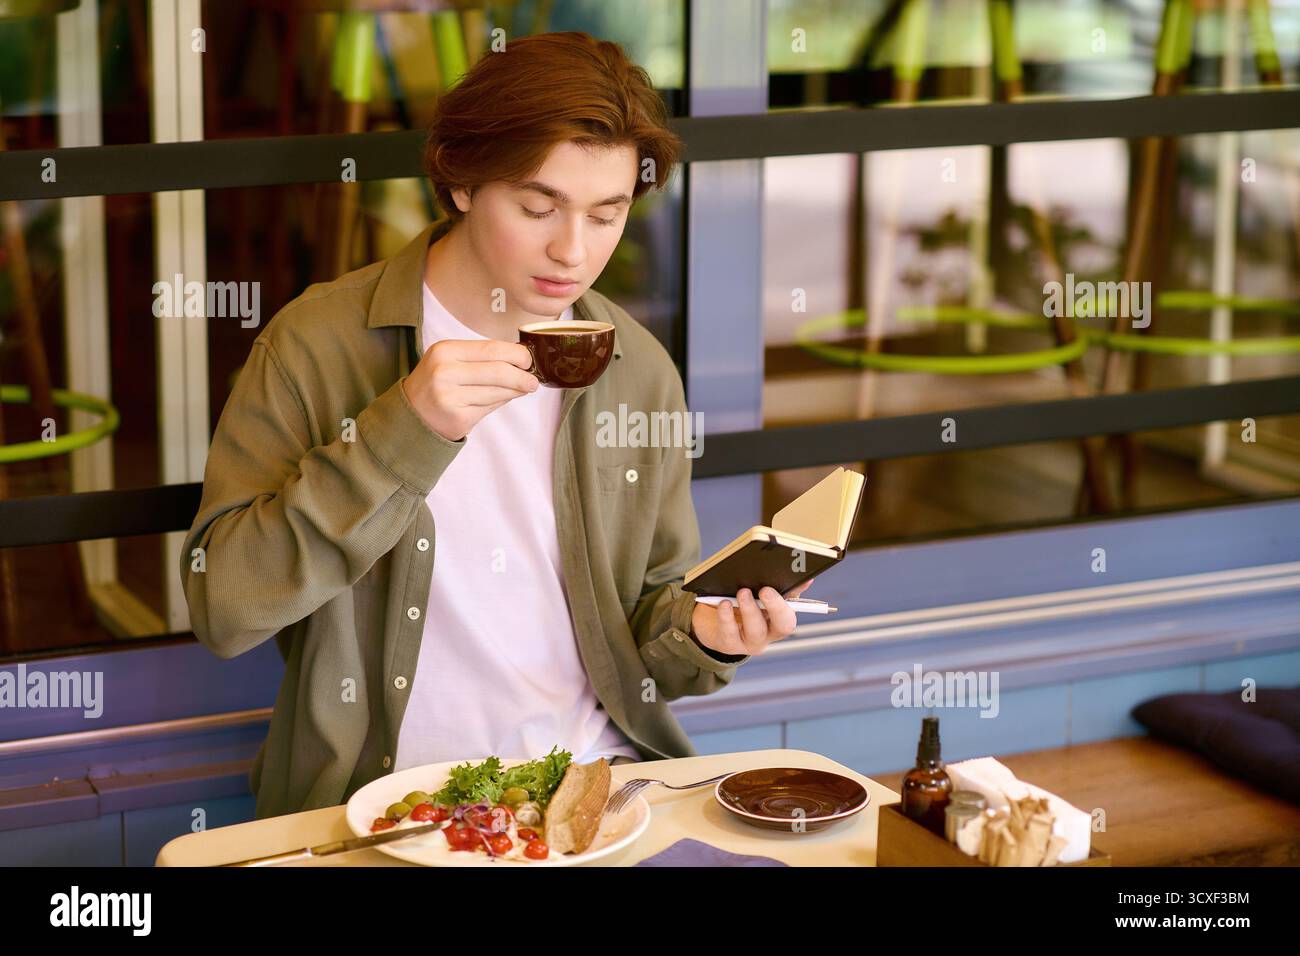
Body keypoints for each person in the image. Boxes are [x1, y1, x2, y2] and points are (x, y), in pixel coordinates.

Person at [180, 31, 812, 820]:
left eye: (606, 214)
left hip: (594, 792)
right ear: (460, 182)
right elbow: (224, 607)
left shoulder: (638, 368)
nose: (572, 251)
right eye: (537, 206)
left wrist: (710, 634)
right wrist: (402, 431)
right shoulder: (318, 343)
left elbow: (650, 618)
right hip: (387, 808)